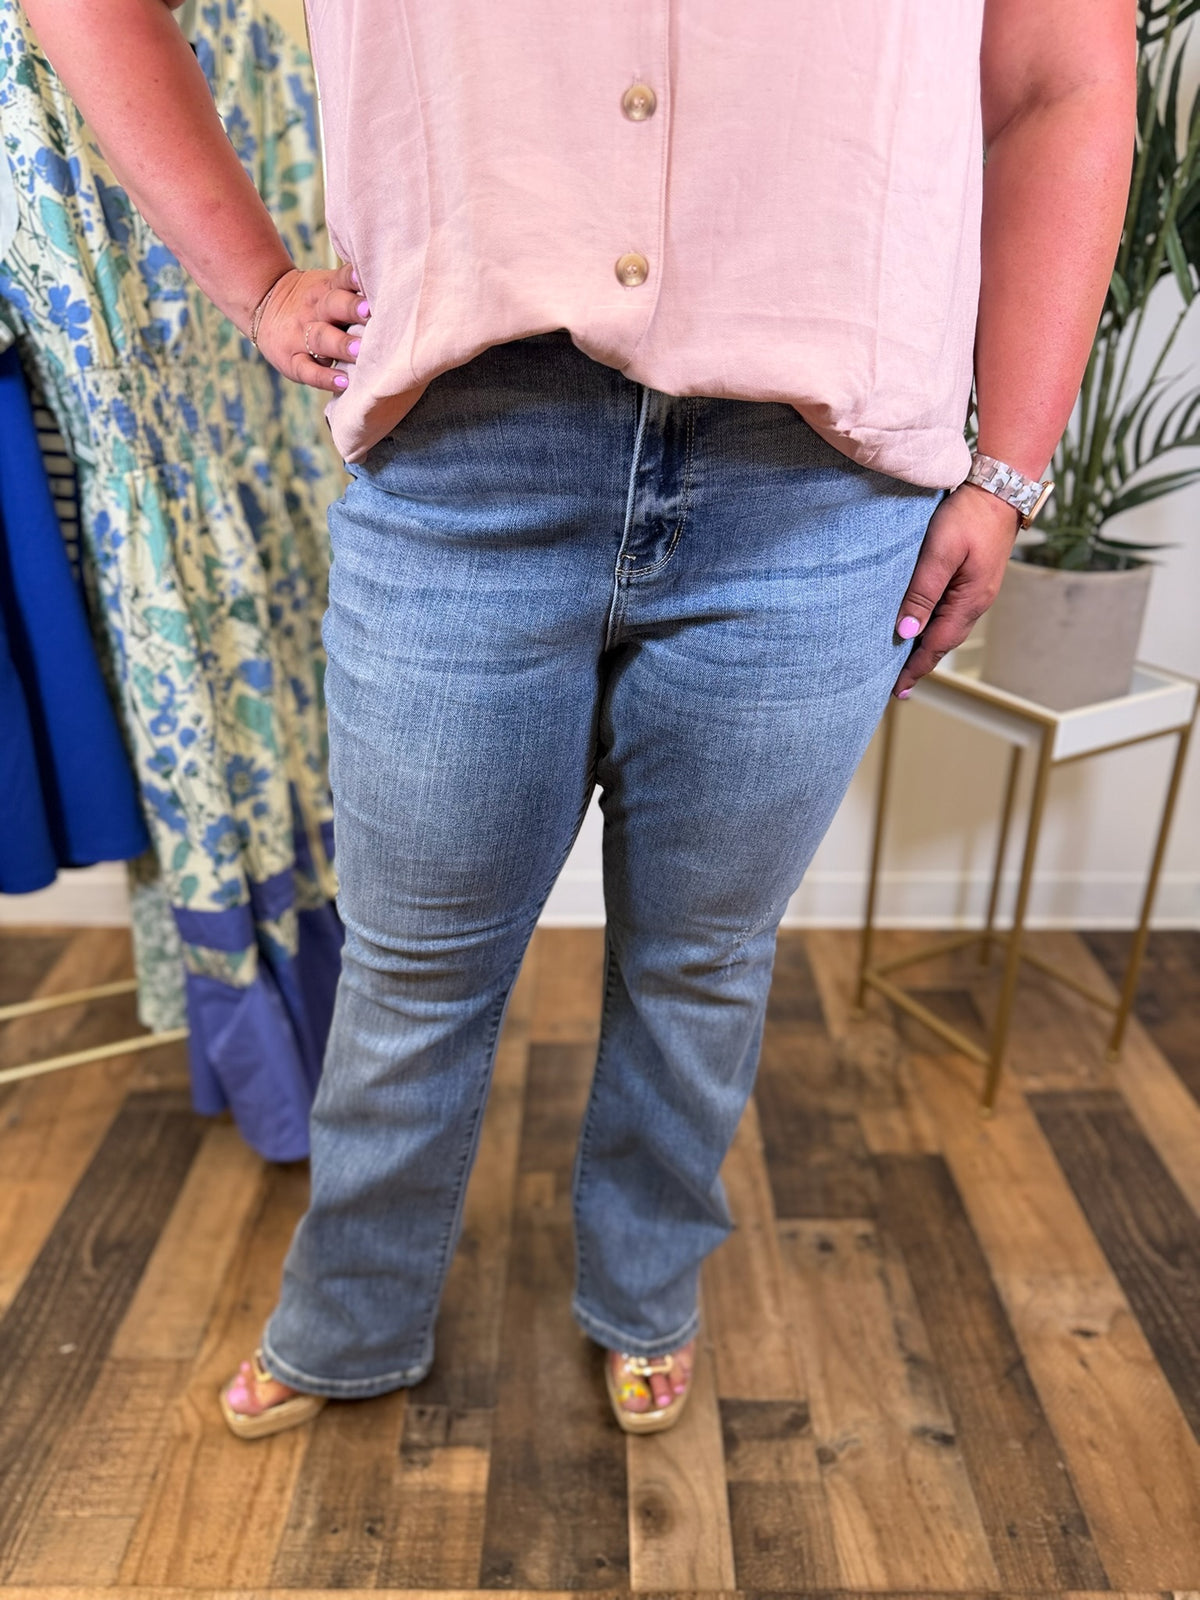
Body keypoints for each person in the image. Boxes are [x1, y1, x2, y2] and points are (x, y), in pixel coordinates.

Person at [28, 0, 1134, 1438]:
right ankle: (348, 1316)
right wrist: (251, 282)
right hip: (467, 452)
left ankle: (646, 1292)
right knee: (415, 963)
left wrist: (1013, 468)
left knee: (702, 959)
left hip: (823, 484)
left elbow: (1057, 76)